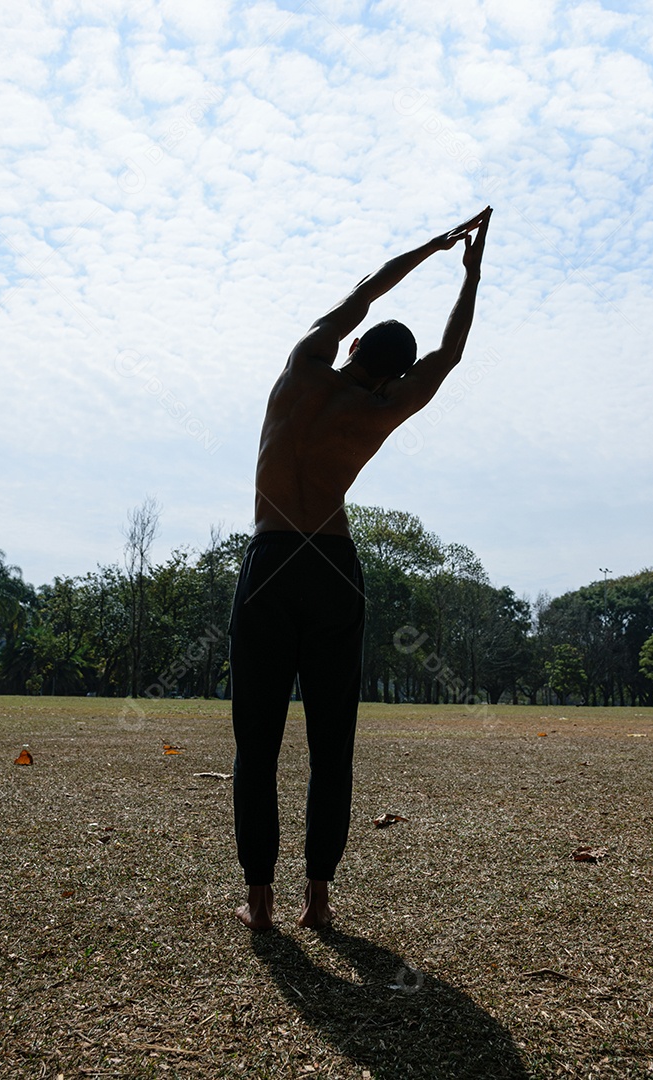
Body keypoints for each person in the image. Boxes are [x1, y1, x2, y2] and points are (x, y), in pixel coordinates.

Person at [230, 206, 493, 930]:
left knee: (257, 739)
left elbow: (367, 289)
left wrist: (434, 248)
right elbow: (452, 354)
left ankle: (260, 899)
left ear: (353, 346)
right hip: (334, 567)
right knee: (330, 743)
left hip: (273, 557)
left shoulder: (303, 367)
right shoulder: (383, 407)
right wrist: (471, 277)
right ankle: (319, 896)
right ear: (393, 371)